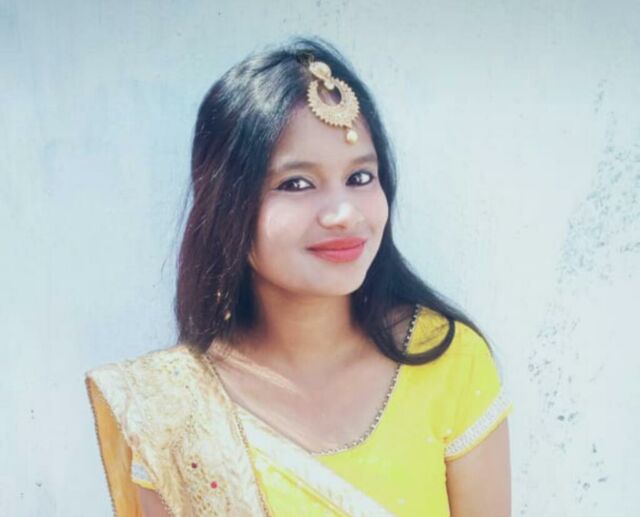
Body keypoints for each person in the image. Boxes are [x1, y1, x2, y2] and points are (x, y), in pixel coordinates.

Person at [85, 36, 514, 517]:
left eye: (360, 177)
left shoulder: (446, 361)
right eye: (296, 183)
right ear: (228, 207)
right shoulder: (173, 412)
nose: (344, 214)